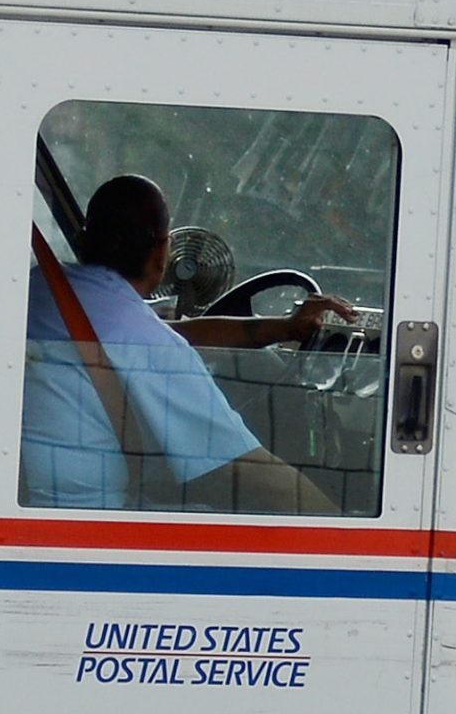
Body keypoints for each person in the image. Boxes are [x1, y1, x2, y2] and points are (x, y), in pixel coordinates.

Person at [21, 174, 344, 513]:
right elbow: (251, 474)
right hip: (87, 528)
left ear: (84, 240)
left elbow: (170, 333)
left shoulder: (47, 288)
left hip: (35, 510)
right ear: (162, 253)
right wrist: (344, 533)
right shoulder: (147, 345)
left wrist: (284, 328)